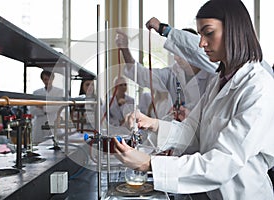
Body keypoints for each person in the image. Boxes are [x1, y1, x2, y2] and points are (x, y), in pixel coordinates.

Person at [113, 0, 274, 199]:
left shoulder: (258, 87)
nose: (201, 43)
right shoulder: (219, 81)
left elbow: (224, 162)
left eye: (208, 33)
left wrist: (149, 164)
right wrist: (153, 124)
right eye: (200, 35)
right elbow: (192, 130)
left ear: (234, 30)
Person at [115, 24, 218, 118]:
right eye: (175, 53)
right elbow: (143, 75)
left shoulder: (212, 75)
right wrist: (125, 49)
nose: (176, 58)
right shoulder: (173, 73)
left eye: (181, 53)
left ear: (193, 52)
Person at [30, 70, 64, 144]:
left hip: (54, 120)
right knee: (38, 145)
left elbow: (58, 107)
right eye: (45, 79)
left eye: (49, 79)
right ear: (42, 80)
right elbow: (32, 110)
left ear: (53, 79)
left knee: (56, 144)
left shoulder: (60, 92)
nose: (47, 81)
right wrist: (49, 107)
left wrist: (42, 107)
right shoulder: (36, 93)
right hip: (39, 122)